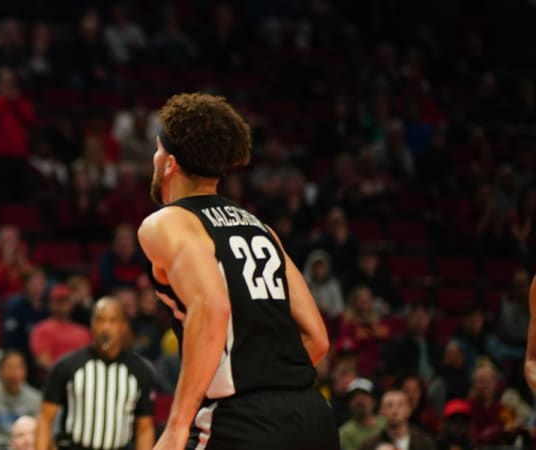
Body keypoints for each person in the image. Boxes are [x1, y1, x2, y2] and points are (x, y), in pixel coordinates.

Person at [139, 93, 336, 450]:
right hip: (312, 416)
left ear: (169, 163)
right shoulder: (259, 227)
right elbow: (318, 338)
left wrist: (177, 426)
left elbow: (212, 306)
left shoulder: (167, 222)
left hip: (241, 421)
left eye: (156, 150)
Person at [36, 299, 156, 450]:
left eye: (112, 321)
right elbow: (45, 419)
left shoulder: (139, 370)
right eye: (100, 320)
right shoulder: (67, 365)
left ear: (124, 326)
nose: (105, 327)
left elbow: (144, 428)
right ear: (91, 325)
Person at [358, 390, 436, 450]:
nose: (395, 411)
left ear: (408, 410)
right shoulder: (370, 445)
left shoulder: (424, 442)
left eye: (400, 405)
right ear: (382, 412)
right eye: (389, 406)